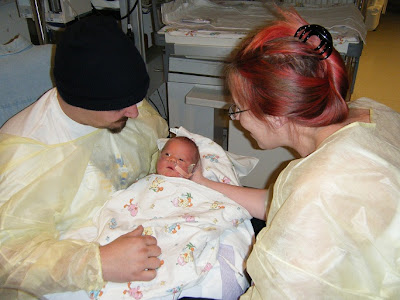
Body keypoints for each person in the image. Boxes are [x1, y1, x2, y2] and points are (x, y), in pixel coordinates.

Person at [191, 6, 400, 299]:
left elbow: (280, 290)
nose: (236, 119)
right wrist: (201, 183)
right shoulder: (367, 112)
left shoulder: (321, 185)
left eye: (238, 109)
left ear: (276, 116)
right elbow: (282, 204)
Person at [0, 15, 169, 299]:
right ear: (83, 100)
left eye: (136, 100)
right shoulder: (25, 158)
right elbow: (9, 259)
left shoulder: (124, 106)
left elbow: (157, 144)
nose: (135, 113)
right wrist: (96, 263)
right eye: (121, 107)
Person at [56, 135, 252, 300]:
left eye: (181, 160)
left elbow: (213, 206)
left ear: (192, 170)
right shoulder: (146, 181)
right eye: (167, 155)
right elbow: (128, 201)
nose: (172, 161)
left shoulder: (195, 188)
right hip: (137, 226)